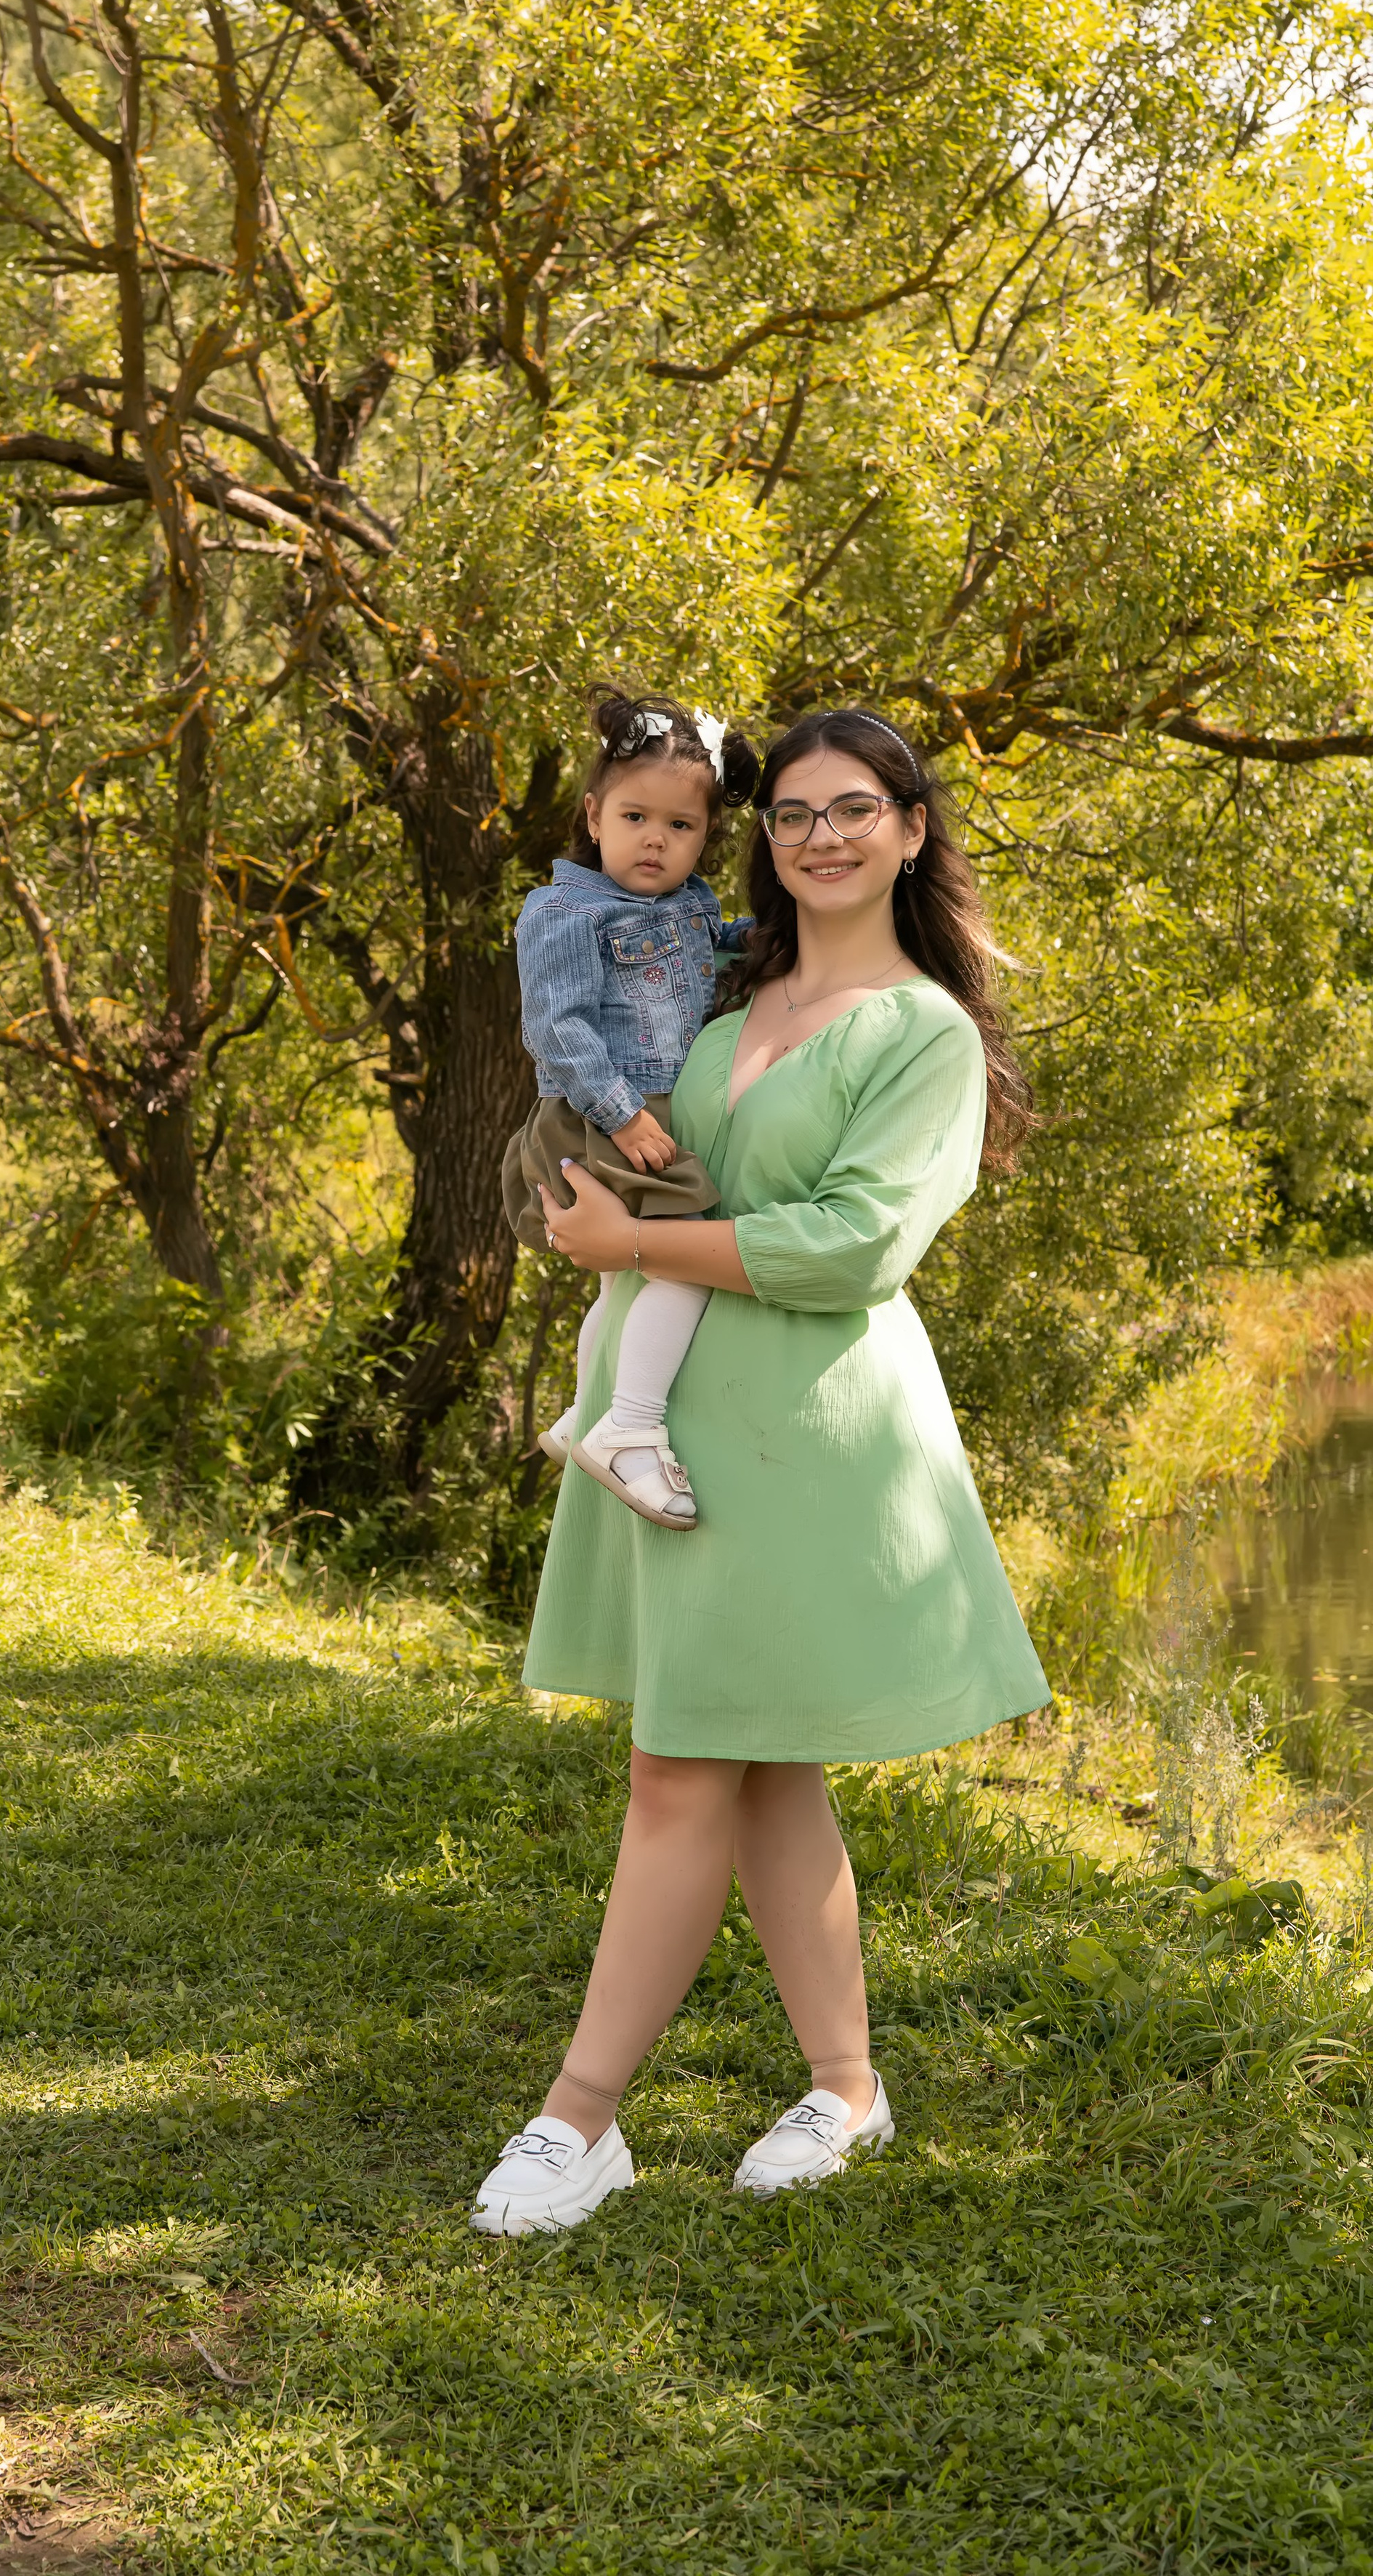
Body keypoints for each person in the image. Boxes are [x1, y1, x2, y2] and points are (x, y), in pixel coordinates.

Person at [474, 704, 1052, 2237]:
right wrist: (591, 1211)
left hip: (804, 1438)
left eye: (851, 806)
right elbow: (641, 1155)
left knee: (680, 1766)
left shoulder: (920, 1029)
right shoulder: (728, 1008)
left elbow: (853, 1243)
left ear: (907, 829)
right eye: (790, 812)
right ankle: (847, 2084)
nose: (820, 834)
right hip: (669, 1431)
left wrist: (632, 1239)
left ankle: (576, 2118)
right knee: (758, 1753)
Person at [503, 687, 760, 1528]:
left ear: (705, 836)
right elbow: (556, 1026)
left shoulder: (681, 905)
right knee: (690, 1254)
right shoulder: (564, 910)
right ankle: (631, 1425)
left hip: (641, 1109)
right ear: (593, 814)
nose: (655, 839)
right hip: (600, 1110)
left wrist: (768, 936)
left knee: (621, 1283)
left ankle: (585, 1413)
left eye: (680, 827)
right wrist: (622, 1115)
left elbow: (707, 947)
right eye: (635, 816)